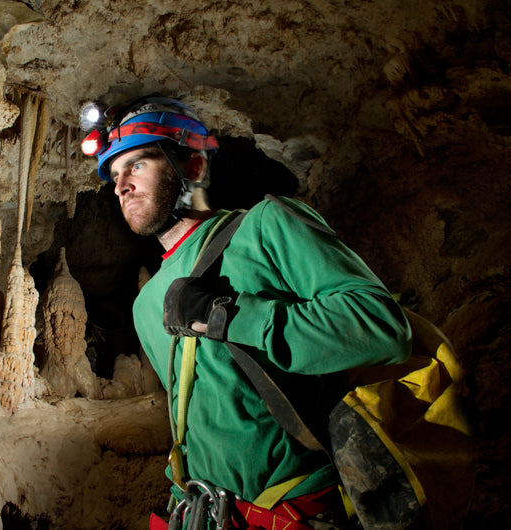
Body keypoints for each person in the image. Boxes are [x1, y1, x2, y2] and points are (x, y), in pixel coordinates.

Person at [80, 96, 412, 529]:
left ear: (194, 168)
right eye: (115, 174)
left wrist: (231, 317)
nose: (121, 184)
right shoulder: (146, 304)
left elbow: (382, 327)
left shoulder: (267, 227)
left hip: (293, 513)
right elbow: (200, 421)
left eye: (138, 165)